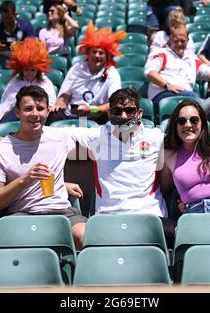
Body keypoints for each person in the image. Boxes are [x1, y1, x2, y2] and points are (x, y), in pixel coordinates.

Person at [67, 87, 176, 248]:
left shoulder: (156, 137)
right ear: (110, 114)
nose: (123, 116)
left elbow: (195, 142)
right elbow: (52, 138)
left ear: (139, 113)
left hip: (150, 217)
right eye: (117, 111)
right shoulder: (98, 135)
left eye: (129, 110)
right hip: (108, 217)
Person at [0, 85, 87, 250]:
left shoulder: (60, 137)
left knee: (85, 235)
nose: (35, 114)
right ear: (17, 112)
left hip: (60, 211)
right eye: (28, 109)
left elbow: (102, 142)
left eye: (40, 108)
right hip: (21, 214)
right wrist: (24, 180)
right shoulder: (1, 150)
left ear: (47, 111)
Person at [161, 100, 210, 215]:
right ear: (175, 125)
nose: (188, 125)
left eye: (194, 120)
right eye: (182, 121)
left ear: (202, 123)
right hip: (193, 211)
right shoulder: (168, 154)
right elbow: (163, 190)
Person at [53, 21, 125, 124]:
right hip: (71, 116)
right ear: (87, 53)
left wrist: (92, 109)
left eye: (101, 53)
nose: (97, 56)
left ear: (107, 56)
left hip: (96, 118)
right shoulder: (76, 69)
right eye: (94, 52)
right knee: (53, 114)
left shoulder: (112, 74)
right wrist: (59, 105)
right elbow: (63, 97)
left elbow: (114, 103)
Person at [144, 24, 210, 107]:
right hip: (163, 95)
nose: (179, 44)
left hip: (187, 96)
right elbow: (149, 72)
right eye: (176, 41)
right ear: (170, 39)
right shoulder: (160, 53)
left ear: (188, 40)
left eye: (183, 41)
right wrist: (167, 85)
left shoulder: (192, 59)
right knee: (196, 101)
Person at [0, 38, 57, 123]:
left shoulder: (45, 82)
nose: (29, 73)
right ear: (21, 69)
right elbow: (5, 105)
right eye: (26, 70)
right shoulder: (14, 82)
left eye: (32, 70)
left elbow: (51, 104)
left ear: (38, 70)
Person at [0, 0, 34, 66]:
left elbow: (31, 44)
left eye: (9, 18)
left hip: (20, 54)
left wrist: (19, 46)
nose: (6, 21)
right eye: (3, 18)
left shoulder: (26, 26)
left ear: (15, 14)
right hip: (1, 52)